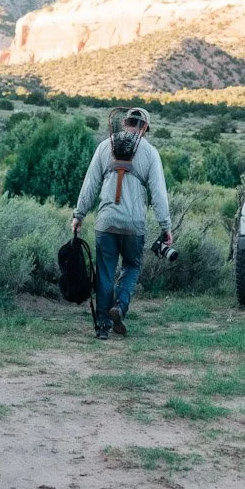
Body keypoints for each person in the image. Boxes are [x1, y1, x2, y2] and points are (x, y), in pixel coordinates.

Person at [71, 107, 172, 340]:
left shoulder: (104, 146)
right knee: (132, 267)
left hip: (106, 222)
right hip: (134, 224)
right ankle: (120, 306)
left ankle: (103, 326)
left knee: (105, 272)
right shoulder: (150, 152)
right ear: (144, 128)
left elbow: (90, 184)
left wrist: (79, 215)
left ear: (125, 123)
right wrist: (166, 227)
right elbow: (159, 193)